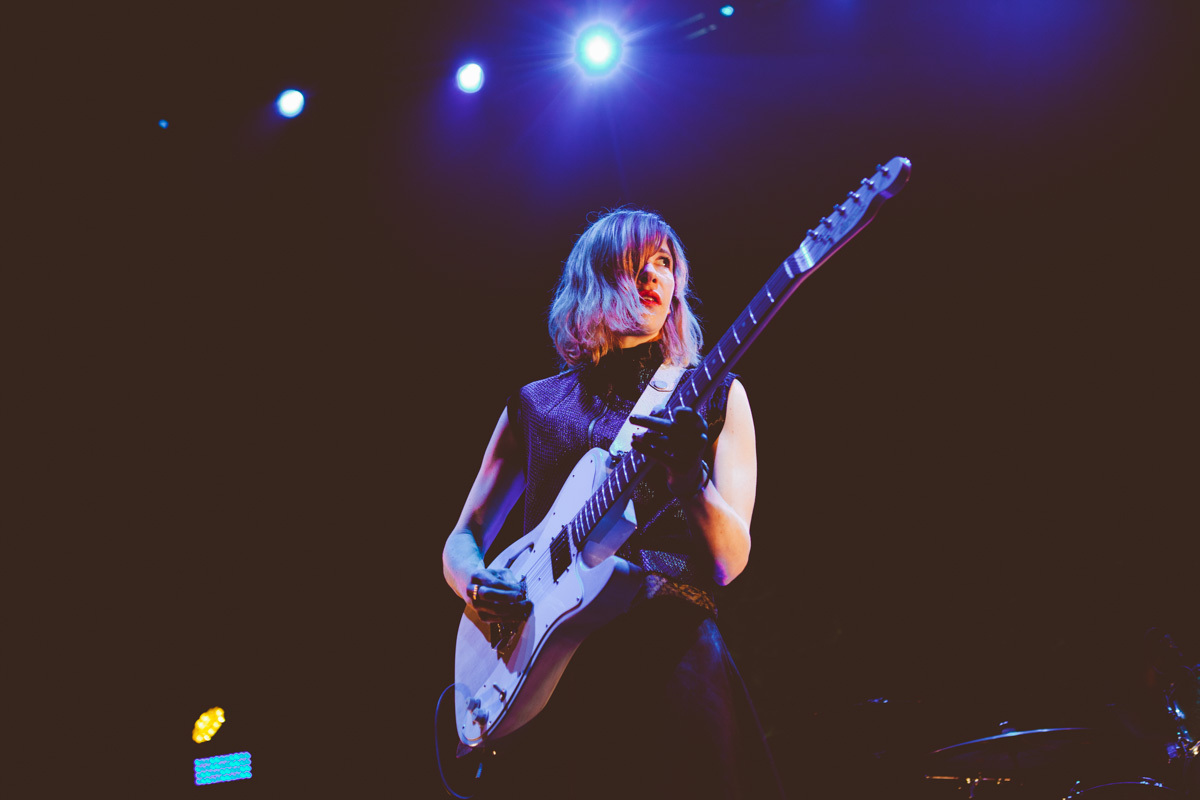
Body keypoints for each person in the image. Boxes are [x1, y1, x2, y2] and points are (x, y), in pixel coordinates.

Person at [441, 208, 785, 799]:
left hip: (668, 656)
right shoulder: (535, 406)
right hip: (545, 668)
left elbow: (730, 562)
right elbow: (463, 535)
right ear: (594, 279)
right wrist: (476, 582)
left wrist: (688, 481)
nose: (655, 276)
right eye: (636, 262)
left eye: (666, 263)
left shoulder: (714, 394)